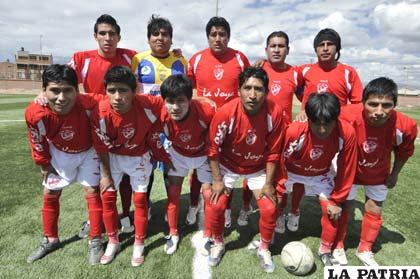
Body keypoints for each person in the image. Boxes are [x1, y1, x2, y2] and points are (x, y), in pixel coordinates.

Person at [203, 67, 286, 273]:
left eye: (258, 89)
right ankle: (218, 242)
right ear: (238, 90)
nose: (252, 94)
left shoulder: (274, 112)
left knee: (269, 208)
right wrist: (217, 179)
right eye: (247, 88)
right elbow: (213, 148)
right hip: (228, 166)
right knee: (216, 204)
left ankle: (265, 247)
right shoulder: (226, 113)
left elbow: (274, 151)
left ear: (266, 92)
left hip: (257, 168)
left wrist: (268, 183)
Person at [25, 65, 103, 264]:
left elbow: (118, 99)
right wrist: (43, 164)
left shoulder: (90, 102)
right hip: (59, 152)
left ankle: (95, 239)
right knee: (50, 193)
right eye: (54, 90)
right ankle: (51, 239)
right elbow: (36, 140)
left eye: (67, 90)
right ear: (43, 91)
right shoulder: (35, 112)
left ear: (77, 90)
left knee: (92, 192)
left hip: (88, 152)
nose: (61, 97)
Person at [288, 28, 363, 234]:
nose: (325, 48)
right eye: (321, 45)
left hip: (334, 134)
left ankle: (335, 231)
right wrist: (305, 110)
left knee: (335, 179)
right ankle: (294, 211)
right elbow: (283, 75)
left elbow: (358, 105)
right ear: (315, 49)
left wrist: (334, 118)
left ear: (337, 48)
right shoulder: (305, 70)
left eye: (330, 44)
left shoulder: (349, 72)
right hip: (310, 132)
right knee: (301, 170)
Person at [90, 66, 167, 266]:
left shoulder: (149, 104)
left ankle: (139, 243)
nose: (117, 96)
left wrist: (204, 99)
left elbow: (175, 100)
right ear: (105, 91)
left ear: (135, 92)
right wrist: (105, 174)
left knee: (140, 200)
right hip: (112, 158)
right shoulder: (99, 112)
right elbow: (100, 146)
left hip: (138, 157)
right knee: (107, 197)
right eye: (112, 90)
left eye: (123, 90)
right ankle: (113, 241)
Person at [69, 14, 137, 236]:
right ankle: (95, 218)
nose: (108, 38)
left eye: (112, 34)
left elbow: (154, 60)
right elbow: (60, 80)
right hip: (94, 126)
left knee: (125, 175)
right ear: (95, 36)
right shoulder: (81, 59)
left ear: (119, 37)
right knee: (99, 177)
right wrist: (43, 92)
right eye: (103, 33)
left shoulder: (131, 57)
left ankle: (126, 214)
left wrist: (175, 54)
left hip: (124, 124)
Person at [339, 77, 417, 266]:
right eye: (373, 104)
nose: (379, 112)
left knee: (374, 209)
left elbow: (403, 152)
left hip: (378, 174)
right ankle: (338, 245)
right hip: (348, 172)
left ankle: (365, 249)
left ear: (395, 105)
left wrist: (394, 174)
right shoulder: (346, 115)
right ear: (363, 102)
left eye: (386, 105)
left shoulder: (406, 126)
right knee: (345, 208)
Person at [277, 93, 357, 266]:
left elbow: (347, 168)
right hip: (292, 172)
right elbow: (280, 161)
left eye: (327, 123)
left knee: (333, 211)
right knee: (272, 204)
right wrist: (279, 187)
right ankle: (279, 221)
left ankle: (325, 250)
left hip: (321, 174)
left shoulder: (347, 133)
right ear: (308, 119)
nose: (322, 130)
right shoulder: (294, 131)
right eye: (316, 123)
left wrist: (336, 200)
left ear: (336, 119)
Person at [187, 16, 251, 227]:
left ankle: (227, 209)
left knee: (227, 168)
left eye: (222, 34)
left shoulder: (240, 59)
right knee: (199, 166)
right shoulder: (196, 59)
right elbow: (189, 90)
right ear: (207, 37)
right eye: (213, 34)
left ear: (228, 37)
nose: (218, 38)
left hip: (232, 125)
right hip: (203, 124)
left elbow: (249, 83)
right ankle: (194, 204)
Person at [131, 15, 188, 221]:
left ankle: (170, 209)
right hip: (145, 125)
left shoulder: (180, 61)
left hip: (170, 125)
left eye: (165, 34)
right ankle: (144, 206)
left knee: (169, 168)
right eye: (155, 34)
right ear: (148, 39)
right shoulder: (137, 60)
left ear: (171, 40)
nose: (160, 38)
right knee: (146, 168)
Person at [249, 31, 304, 232]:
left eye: (281, 46)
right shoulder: (259, 68)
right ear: (266, 49)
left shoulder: (295, 73)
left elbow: (305, 95)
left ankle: (279, 214)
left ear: (288, 50)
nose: (277, 49)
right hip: (258, 131)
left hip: (283, 135)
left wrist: (305, 110)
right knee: (253, 171)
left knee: (281, 177)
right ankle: (246, 207)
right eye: (273, 46)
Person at [155, 74, 215, 254]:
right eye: (170, 101)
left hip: (202, 155)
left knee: (208, 196)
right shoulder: (160, 114)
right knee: (173, 195)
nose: (175, 107)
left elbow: (216, 139)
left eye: (181, 101)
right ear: (163, 100)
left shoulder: (207, 111)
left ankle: (209, 234)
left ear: (190, 99)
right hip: (178, 155)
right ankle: (172, 233)